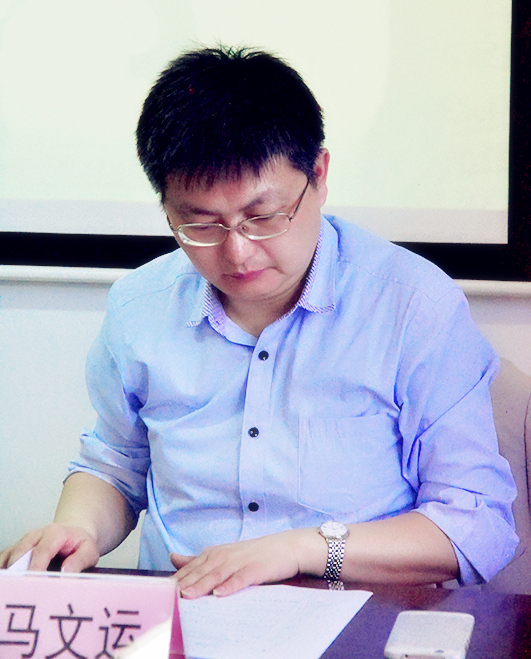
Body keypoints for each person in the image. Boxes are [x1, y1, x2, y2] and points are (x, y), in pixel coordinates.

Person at [1, 46, 518, 598]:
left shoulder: (414, 308)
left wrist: (301, 550)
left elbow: (475, 525)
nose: (238, 251)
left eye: (263, 216)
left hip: (353, 619)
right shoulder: (139, 306)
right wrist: (77, 529)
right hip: (181, 617)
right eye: (201, 225)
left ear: (319, 174)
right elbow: (116, 467)